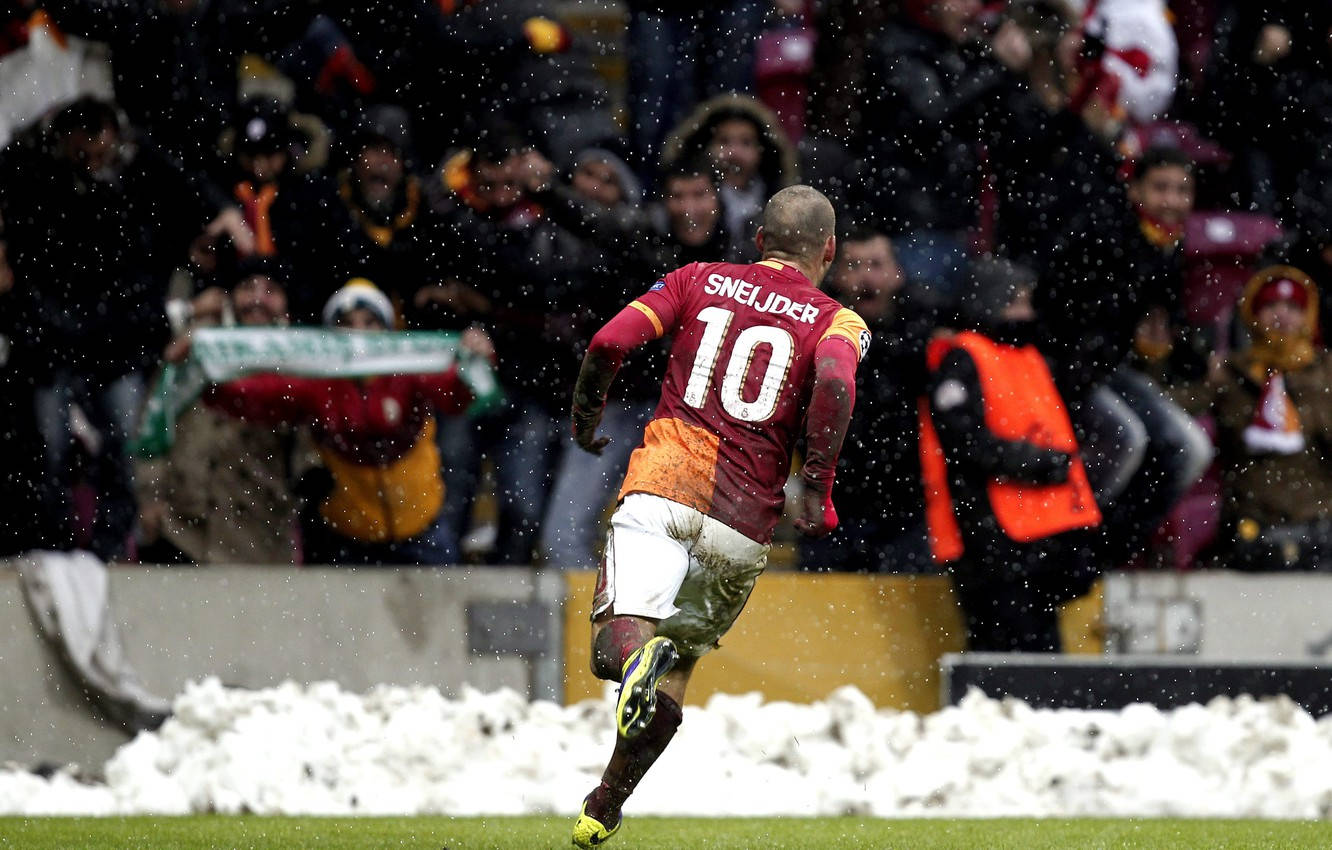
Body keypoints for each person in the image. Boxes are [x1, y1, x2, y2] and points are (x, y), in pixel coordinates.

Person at [568, 186, 868, 847]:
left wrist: (587, 417)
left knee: (615, 649)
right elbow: (838, 383)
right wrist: (815, 488)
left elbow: (608, 341)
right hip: (742, 523)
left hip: (666, 483)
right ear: (830, 251)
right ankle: (605, 804)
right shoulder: (839, 321)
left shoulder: (695, 277)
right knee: (673, 668)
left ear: (759, 240)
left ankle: (634, 658)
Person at [203, 281, 490, 566]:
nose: (359, 334)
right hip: (347, 539)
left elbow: (458, 395)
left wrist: (474, 358)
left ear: (388, 331)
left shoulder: (408, 371)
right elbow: (252, 396)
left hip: (422, 531)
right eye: (346, 324)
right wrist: (203, 365)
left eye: (370, 323)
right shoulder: (316, 385)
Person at [919, 258, 1102, 651]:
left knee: (1035, 651)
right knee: (1005, 647)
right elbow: (966, 444)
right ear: (987, 303)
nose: (1026, 313)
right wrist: (1036, 463)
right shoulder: (964, 357)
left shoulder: (1025, 356)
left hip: (1033, 535)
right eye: (1015, 302)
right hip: (990, 536)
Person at [136, 260, 302, 565]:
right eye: (247, 287)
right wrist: (150, 498)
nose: (257, 299)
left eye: (271, 290)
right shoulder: (194, 347)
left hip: (258, 534)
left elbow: (311, 450)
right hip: (182, 529)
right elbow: (154, 426)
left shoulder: (300, 361)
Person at [798, 227, 942, 572]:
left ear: (898, 274)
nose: (865, 276)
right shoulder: (817, 330)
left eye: (875, 264)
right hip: (835, 500)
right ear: (838, 276)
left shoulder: (926, 333)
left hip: (906, 504)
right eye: (854, 265)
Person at [1181, 266, 1332, 571]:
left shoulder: (1326, 371)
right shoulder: (1231, 373)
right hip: (1250, 529)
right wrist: (1162, 361)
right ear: (1251, 314)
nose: (1282, 315)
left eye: (1293, 307)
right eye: (1271, 305)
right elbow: (1170, 413)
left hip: (1321, 526)